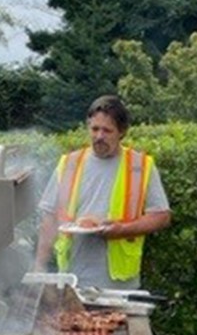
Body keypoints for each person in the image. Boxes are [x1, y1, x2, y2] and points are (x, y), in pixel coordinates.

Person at [34, 95, 171, 290]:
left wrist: (122, 230)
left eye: (107, 130)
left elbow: (161, 216)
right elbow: (50, 217)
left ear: (122, 132)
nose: (99, 136)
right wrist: (39, 265)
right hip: (72, 281)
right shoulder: (69, 164)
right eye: (95, 129)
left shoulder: (139, 166)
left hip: (120, 285)